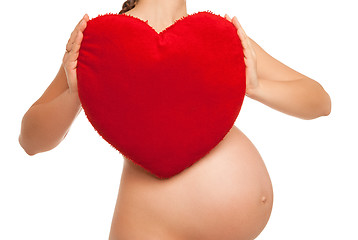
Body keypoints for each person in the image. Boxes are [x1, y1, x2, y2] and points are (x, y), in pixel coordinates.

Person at [18, 0, 331, 239]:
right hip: (150, 229)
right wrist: (75, 93)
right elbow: (30, 141)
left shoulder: (218, 37)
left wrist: (256, 87)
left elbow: (319, 102)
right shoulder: (99, 43)